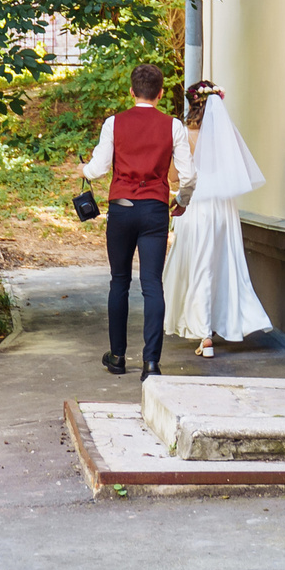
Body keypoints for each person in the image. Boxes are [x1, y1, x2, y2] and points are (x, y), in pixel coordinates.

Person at [80, 63, 195, 377]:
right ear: (160, 94)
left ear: (132, 91)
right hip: (155, 210)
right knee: (152, 284)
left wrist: (84, 170)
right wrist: (182, 201)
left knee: (119, 281)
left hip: (121, 208)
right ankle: (151, 363)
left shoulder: (114, 123)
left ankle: (117, 357)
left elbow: (99, 168)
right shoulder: (173, 126)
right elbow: (188, 176)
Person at [163, 83, 272, 357]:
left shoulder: (183, 134)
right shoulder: (227, 134)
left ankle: (204, 332)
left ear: (191, 103)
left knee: (199, 265)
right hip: (223, 209)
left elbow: (174, 177)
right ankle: (230, 321)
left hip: (195, 206)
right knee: (224, 264)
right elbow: (237, 172)